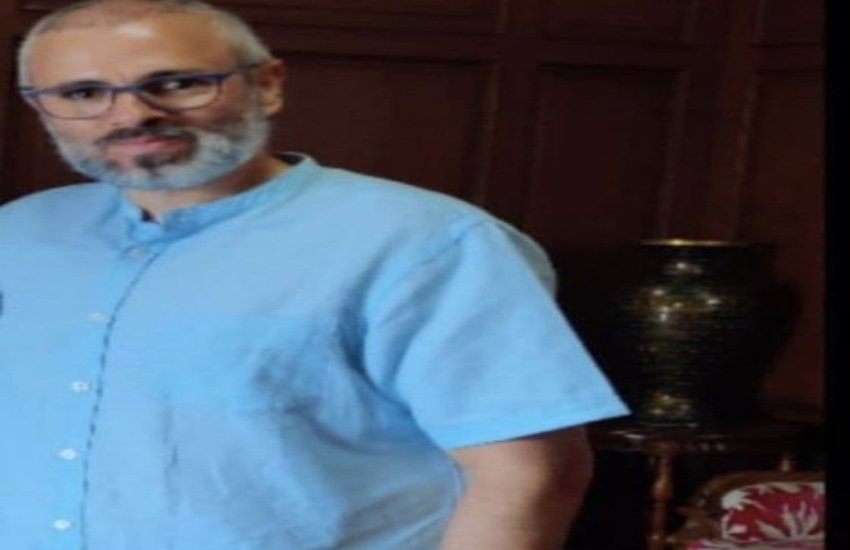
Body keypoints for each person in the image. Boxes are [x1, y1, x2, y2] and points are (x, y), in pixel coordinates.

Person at [0, 0, 629, 548]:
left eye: (179, 83)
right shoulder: (18, 234)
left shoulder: (427, 243)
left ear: (268, 85)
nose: (130, 115)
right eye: (82, 94)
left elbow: (529, 475)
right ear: (40, 107)